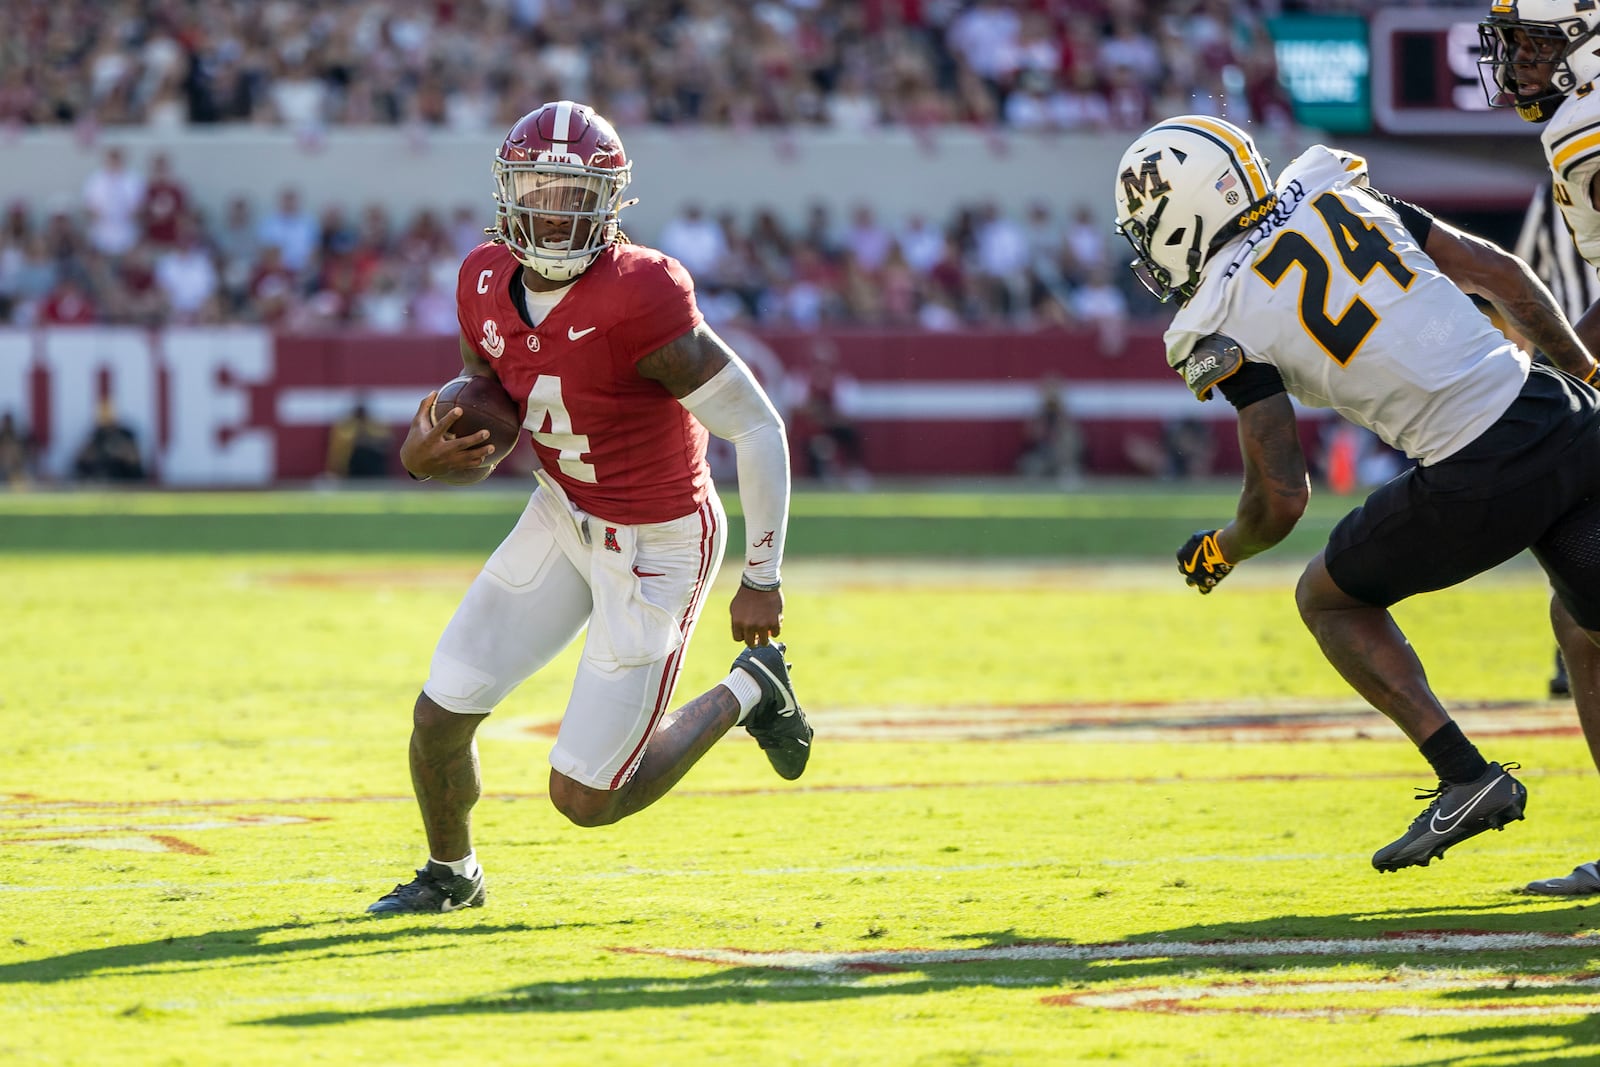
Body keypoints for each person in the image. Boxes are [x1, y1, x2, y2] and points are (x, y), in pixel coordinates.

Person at [1113, 114, 1600, 875]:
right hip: (1561, 414)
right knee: (1584, 629)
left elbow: (1280, 497)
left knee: (1326, 598)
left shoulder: (1216, 315)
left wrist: (1222, 549)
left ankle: (1465, 775)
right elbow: (1500, 275)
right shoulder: (1329, 186)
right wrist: (1587, 379)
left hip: (1478, 468)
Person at [368, 100, 811, 915]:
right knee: (441, 712)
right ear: (508, 193)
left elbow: (756, 425)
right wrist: (419, 455)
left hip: (658, 540)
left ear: (610, 202)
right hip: (561, 512)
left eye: (574, 193)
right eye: (539, 188)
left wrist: (764, 573)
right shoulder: (479, 279)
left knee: (585, 796)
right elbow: (488, 414)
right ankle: (451, 874)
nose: (555, 210)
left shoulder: (641, 292)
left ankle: (751, 687)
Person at [1480, 0, 1600, 894]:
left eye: (1535, 43)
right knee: (1582, 618)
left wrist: (1566, 379)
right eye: (1513, 44)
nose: (1518, 62)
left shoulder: (1584, 125)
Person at [323, 400, 392, 479]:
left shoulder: (374, 427)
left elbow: (386, 443)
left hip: (373, 467)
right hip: (352, 468)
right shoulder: (347, 428)